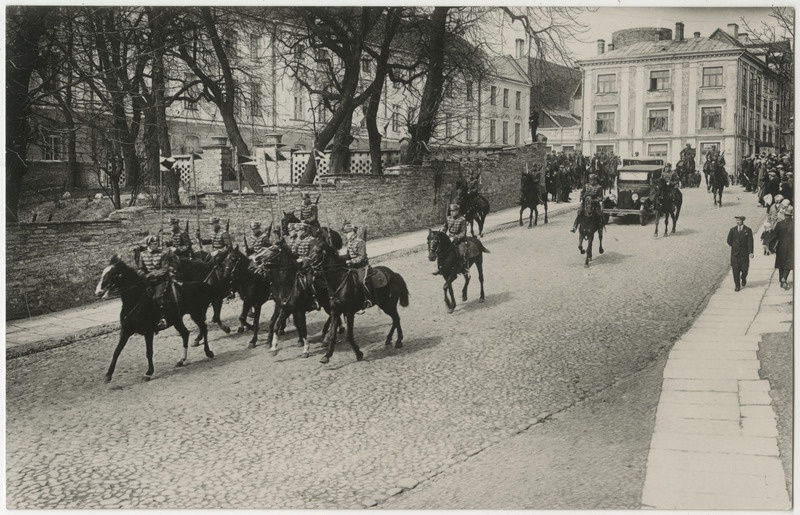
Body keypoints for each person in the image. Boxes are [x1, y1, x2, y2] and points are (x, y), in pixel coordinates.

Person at [138, 235, 171, 331]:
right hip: (147, 281)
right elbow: (141, 268)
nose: (156, 245)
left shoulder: (163, 254)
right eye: (153, 244)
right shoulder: (142, 254)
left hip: (160, 280)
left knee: (157, 297)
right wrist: (142, 275)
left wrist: (152, 274)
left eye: (156, 244)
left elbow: (164, 269)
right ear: (148, 244)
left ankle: (161, 318)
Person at [342, 222, 374, 312]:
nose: (346, 235)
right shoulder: (349, 243)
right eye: (345, 233)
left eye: (347, 233)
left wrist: (351, 261)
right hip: (352, 267)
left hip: (362, 266)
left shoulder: (360, 242)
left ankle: (367, 299)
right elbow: (348, 255)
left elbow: (362, 257)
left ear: (353, 232)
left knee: (362, 281)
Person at [290, 222, 320, 310]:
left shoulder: (312, 240)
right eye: (296, 230)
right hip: (297, 265)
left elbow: (314, 255)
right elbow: (293, 253)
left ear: (304, 231)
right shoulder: (297, 240)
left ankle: (315, 300)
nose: (297, 232)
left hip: (309, 266)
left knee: (309, 281)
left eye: (298, 230)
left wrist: (304, 260)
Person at [440, 203, 470, 277]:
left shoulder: (462, 219)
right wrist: (442, 234)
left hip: (460, 240)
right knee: (440, 250)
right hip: (449, 238)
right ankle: (440, 267)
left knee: (462, 252)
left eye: (453, 211)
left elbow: (463, 232)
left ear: (457, 211)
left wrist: (455, 238)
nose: (451, 212)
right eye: (451, 211)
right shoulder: (448, 218)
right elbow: (444, 227)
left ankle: (465, 268)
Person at [727, 215, 754, 292]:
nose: (738, 221)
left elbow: (750, 242)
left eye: (739, 220)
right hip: (735, 254)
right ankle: (737, 285)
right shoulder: (732, 230)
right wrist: (735, 246)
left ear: (743, 221)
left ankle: (743, 278)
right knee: (735, 270)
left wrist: (751, 252)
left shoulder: (748, 230)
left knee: (745, 269)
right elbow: (729, 240)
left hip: (744, 254)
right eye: (737, 220)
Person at [771, 205, 794, 289]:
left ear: (784, 215)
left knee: (781, 263)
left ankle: (781, 280)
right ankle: (784, 278)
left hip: (781, 247)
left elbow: (774, 236)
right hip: (792, 247)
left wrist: (772, 247)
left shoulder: (779, 224)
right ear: (791, 215)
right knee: (789, 264)